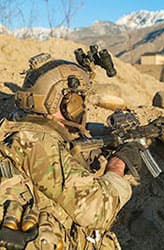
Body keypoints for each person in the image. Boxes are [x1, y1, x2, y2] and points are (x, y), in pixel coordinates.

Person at [0, 50, 143, 249]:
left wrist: (106, 133)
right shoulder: (39, 144)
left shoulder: (18, 124)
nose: (83, 106)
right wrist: (118, 164)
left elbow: (68, 135)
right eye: (80, 98)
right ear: (68, 101)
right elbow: (98, 209)